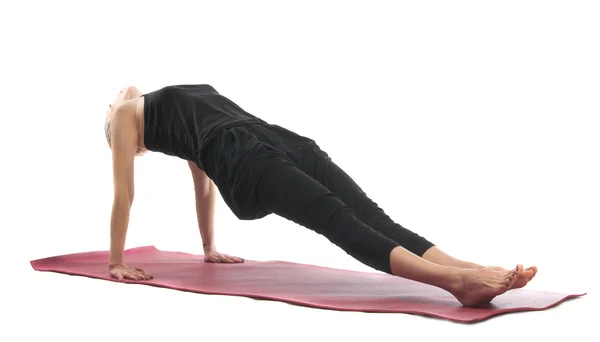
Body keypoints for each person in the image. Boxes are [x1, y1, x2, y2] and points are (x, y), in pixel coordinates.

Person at [104, 84, 537, 307]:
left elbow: (203, 188)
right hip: (243, 160)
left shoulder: (157, 108)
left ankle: (472, 267)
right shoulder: (128, 115)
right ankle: (455, 283)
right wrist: (116, 261)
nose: (115, 102)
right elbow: (125, 193)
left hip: (274, 137)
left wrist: (208, 247)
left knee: (372, 214)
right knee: (338, 218)